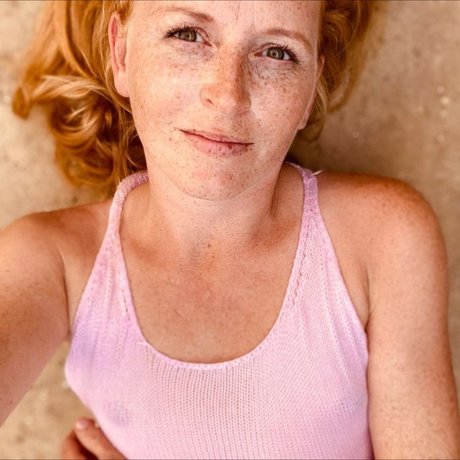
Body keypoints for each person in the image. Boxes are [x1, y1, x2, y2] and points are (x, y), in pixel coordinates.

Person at [2, 0, 459, 459]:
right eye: (187, 35)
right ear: (120, 54)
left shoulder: (382, 240)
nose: (228, 95)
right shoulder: (52, 262)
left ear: (310, 90)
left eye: (277, 53)